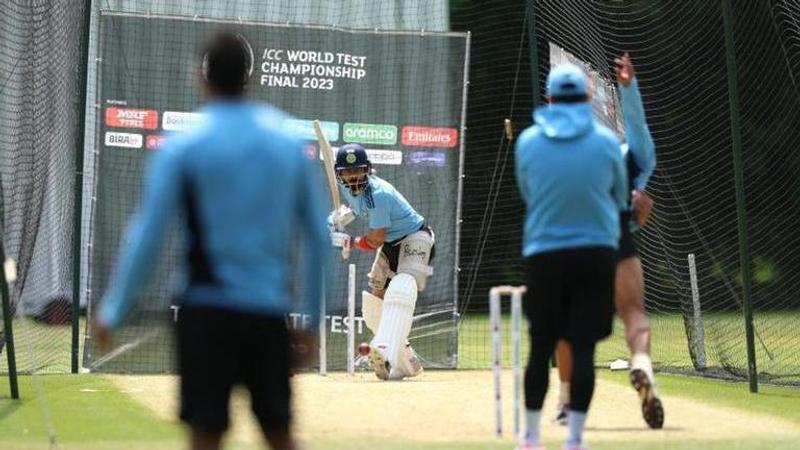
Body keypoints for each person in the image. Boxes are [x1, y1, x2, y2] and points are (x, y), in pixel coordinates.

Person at [92, 32, 327, 450]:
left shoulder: (184, 148)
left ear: (202, 77)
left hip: (206, 312)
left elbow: (147, 233)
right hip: (267, 314)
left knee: (205, 435)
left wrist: (114, 308)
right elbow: (317, 239)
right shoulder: (287, 145)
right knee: (280, 435)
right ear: (249, 78)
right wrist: (310, 320)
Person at [514, 64, 628, 450]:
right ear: (586, 98)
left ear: (549, 99)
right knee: (583, 348)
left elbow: (529, 192)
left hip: (545, 253)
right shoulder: (607, 142)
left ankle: (530, 439)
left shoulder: (528, 140)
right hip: (596, 253)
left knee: (541, 345)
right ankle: (575, 440)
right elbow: (618, 197)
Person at [553, 53, 663, 430]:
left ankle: (567, 402)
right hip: (615, 237)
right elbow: (638, 130)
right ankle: (642, 364)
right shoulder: (629, 160)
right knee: (633, 312)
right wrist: (628, 88)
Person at [328, 143, 434, 381]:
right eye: (347, 172)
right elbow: (357, 207)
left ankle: (384, 351)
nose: (353, 177)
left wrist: (350, 242)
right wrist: (340, 217)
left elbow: (376, 239)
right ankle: (407, 361)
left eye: (358, 171)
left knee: (401, 285)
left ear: (367, 170)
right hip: (391, 244)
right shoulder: (346, 189)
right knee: (374, 305)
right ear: (339, 173)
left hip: (416, 237)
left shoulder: (380, 194)